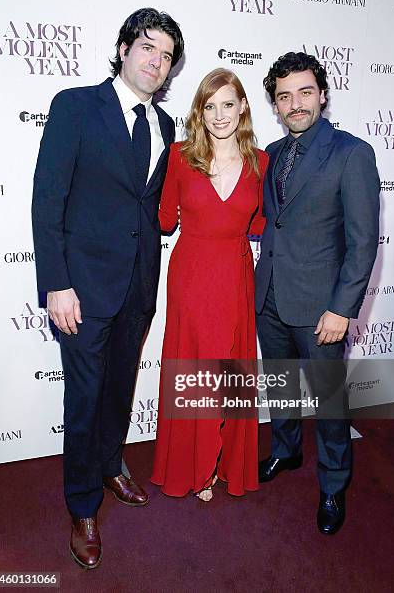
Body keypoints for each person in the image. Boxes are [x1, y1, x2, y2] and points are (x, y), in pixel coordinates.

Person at [31, 8, 184, 569]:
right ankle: (82, 504)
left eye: (167, 57)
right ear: (123, 49)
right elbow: (47, 199)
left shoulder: (167, 128)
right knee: (85, 396)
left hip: (139, 282)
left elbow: (154, 208)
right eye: (148, 48)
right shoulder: (75, 106)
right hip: (83, 288)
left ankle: (110, 462)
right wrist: (56, 284)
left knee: (120, 388)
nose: (156, 62)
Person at [255, 52, 380, 534]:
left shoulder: (352, 153)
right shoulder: (272, 153)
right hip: (271, 297)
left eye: (305, 92)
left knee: (329, 402)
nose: (296, 104)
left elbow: (363, 240)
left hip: (321, 307)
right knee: (281, 387)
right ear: (276, 104)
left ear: (322, 94)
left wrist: (342, 308)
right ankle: (285, 450)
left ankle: (333, 484)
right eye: (284, 96)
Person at [151, 68, 269, 501]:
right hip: (192, 274)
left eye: (228, 104)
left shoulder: (261, 161)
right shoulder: (180, 155)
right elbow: (164, 219)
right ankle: (194, 466)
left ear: (242, 108)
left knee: (230, 371)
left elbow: (258, 222)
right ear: (200, 111)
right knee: (196, 368)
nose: (220, 115)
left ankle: (223, 463)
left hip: (236, 276)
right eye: (210, 105)